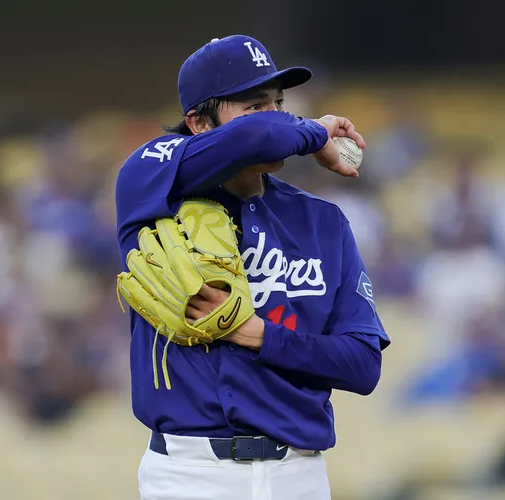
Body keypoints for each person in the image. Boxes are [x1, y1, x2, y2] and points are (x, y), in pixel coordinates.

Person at [114, 35, 390, 500]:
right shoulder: (152, 183)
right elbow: (256, 137)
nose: (275, 115)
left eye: (279, 103)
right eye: (255, 105)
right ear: (199, 123)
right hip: (189, 473)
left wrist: (260, 335)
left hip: (299, 474)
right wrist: (316, 131)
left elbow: (363, 366)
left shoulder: (322, 221)